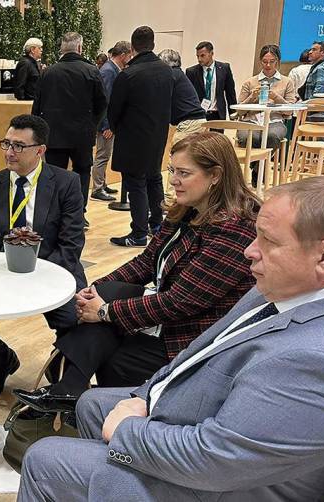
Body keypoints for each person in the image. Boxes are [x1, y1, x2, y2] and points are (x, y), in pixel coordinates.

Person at [17, 175, 324, 502]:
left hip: (219, 487)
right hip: (229, 434)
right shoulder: (293, 289)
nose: (250, 250)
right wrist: (147, 395)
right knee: (92, 405)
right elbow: (205, 348)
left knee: (44, 459)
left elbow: (214, 461)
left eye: (268, 240)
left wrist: (128, 433)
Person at [14, 132, 258, 411]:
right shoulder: (188, 209)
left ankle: (72, 387)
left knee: (109, 336)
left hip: (195, 336)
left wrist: (106, 311)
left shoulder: (235, 228)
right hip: (169, 321)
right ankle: (72, 391)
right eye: (171, 171)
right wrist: (94, 290)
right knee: (109, 293)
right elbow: (146, 262)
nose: (173, 180)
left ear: (215, 175)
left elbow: (182, 301)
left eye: (184, 173)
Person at [0, 114, 86, 399]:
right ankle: (0, 362)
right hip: (0, 272)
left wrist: (38, 278)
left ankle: (58, 369)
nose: (10, 152)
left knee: (77, 318)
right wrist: (6, 275)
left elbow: (71, 243)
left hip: (53, 272)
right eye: (6, 144)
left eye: (19, 146)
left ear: (40, 150)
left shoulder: (67, 183)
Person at [31, 31, 108, 228]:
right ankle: (78, 214)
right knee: (82, 173)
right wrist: (93, 123)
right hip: (82, 134)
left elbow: (37, 106)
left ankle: (55, 213)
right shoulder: (91, 71)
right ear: (80, 48)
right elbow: (102, 103)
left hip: (54, 134)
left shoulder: (48, 72)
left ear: (61, 49)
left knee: (54, 174)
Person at [107, 26, 173, 247]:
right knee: (154, 178)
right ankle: (157, 225)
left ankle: (138, 233)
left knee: (135, 183)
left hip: (132, 137)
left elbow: (114, 110)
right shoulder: (166, 71)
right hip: (158, 135)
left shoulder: (128, 74)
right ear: (153, 45)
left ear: (132, 46)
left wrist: (116, 128)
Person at [90, 41, 131, 202]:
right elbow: (105, 100)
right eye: (129, 55)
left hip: (108, 122)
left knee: (105, 154)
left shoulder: (112, 69)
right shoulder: (109, 71)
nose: (130, 58)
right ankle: (97, 188)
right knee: (102, 155)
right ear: (122, 55)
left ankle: (102, 183)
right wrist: (107, 125)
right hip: (105, 123)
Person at [236, 45, 297, 150]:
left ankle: (257, 166)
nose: (268, 65)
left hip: (275, 121)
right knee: (248, 137)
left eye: (272, 61)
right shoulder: (249, 82)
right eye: (264, 61)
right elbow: (240, 111)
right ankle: (257, 166)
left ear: (277, 61)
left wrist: (276, 97)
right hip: (251, 120)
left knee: (271, 136)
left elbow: (289, 111)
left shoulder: (287, 82)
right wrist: (252, 97)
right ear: (260, 61)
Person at [158, 48, 206, 143]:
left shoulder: (170, 75)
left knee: (177, 153)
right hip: (196, 121)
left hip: (189, 122)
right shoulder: (178, 74)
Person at [186, 41, 237, 121]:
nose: (199, 59)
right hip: (199, 114)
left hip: (218, 113)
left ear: (211, 53)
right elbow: (188, 96)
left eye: (202, 56)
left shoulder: (224, 68)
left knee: (217, 134)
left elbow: (230, 93)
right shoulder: (192, 72)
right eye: (197, 56)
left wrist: (233, 114)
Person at [299, 41, 324, 119]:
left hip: (317, 114)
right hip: (318, 112)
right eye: (310, 50)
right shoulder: (323, 66)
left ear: (323, 52)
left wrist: (304, 107)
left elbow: (319, 94)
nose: (310, 52)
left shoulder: (321, 68)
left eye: (314, 50)